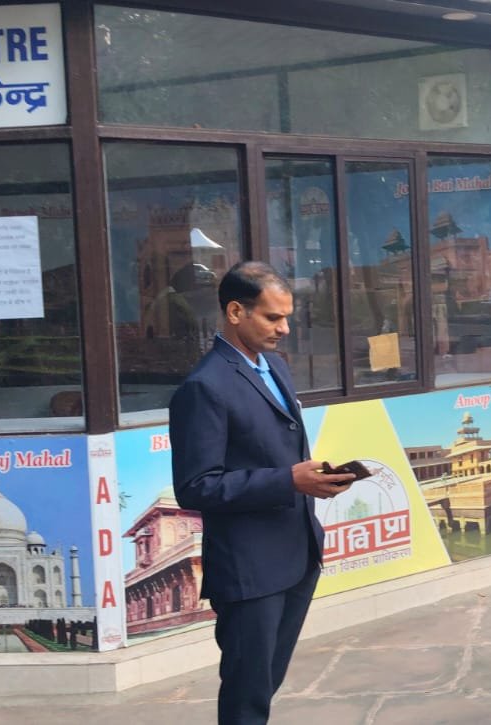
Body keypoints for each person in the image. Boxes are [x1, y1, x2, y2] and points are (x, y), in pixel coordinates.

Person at [169, 262, 357, 725]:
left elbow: (278, 449)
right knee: (246, 695)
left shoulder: (275, 366)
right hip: (249, 568)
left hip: (297, 553)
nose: (284, 328)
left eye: (287, 317)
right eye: (273, 317)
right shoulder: (204, 386)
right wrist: (288, 481)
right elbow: (195, 486)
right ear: (236, 312)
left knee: (266, 684)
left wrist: (317, 481)